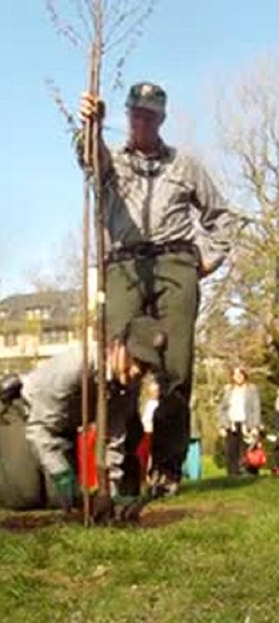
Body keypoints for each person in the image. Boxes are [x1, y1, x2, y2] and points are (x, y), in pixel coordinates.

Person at [78, 82, 241, 497]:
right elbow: (86, 158)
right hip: (124, 266)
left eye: (149, 115)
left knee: (175, 367)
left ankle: (166, 469)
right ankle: (123, 467)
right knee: (117, 365)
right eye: (135, 113)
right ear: (127, 116)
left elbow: (223, 219)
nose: (141, 121)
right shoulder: (111, 160)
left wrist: (204, 261)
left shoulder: (185, 166)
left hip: (175, 264)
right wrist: (91, 126)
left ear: (161, 119)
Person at [0, 315, 166, 521]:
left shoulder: (127, 388)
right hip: (20, 413)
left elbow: (113, 440)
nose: (137, 371)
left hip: (60, 429)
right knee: (25, 494)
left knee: (67, 500)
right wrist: (62, 474)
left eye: (145, 366)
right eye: (135, 359)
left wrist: (110, 494)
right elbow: (39, 428)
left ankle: (50, 485)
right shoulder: (76, 366)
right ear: (116, 346)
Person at [219, 366, 261, 477]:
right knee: (231, 451)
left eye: (240, 374)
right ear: (232, 377)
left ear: (244, 375)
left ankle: (249, 474)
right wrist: (223, 425)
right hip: (231, 424)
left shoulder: (252, 389)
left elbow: (256, 408)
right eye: (235, 374)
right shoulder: (228, 390)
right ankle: (233, 474)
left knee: (247, 450)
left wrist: (255, 427)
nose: (238, 377)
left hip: (247, 424)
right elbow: (222, 408)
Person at [137, 378, 160, 483]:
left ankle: (150, 476)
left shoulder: (159, 405)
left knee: (152, 456)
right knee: (143, 455)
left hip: (154, 433)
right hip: (146, 432)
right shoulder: (149, 404)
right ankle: (143, 476)